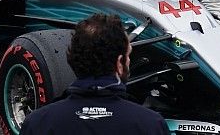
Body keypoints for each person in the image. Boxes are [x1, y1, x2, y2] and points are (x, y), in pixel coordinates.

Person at [19, 13, 169, 135]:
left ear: (74, 59)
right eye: (128, 56)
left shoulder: (37, 123)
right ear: (119, 63)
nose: (129, 61)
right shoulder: (151, 125)